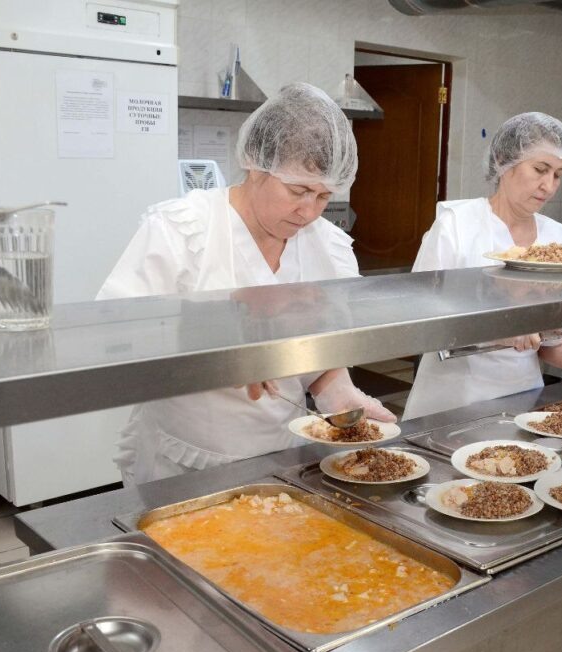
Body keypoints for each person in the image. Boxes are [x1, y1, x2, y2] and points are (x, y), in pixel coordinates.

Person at [98, 83, 395, 485]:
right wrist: (224, 345)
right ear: (256, 165)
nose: (308, 211)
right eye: (298, 190)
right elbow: (115, 334)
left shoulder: (328, 248)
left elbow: (321, 345)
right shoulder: (181, 230)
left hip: (280, 456)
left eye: (324, 195)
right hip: (182, 458)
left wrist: (337, 391)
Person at [402, 112, 562, 421]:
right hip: (452, 402)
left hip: (523, 402)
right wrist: (497, 332)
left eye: (558, 175)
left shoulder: (556, 238)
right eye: (540, 169)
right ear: (504, 160)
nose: (548, 186)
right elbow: (416, 319)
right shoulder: (456, 226)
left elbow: (546, 343)